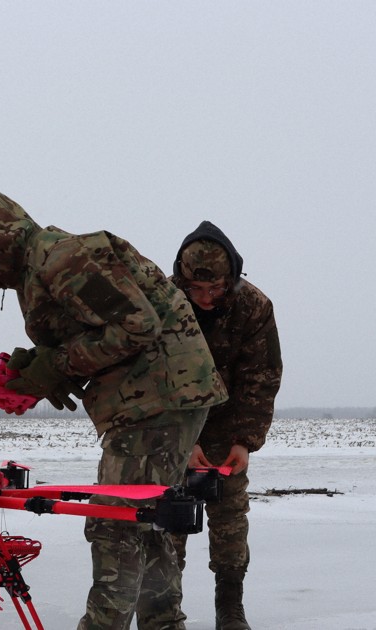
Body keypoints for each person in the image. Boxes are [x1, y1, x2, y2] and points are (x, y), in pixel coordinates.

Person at [0, 184, 228, 630]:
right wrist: (36, 370)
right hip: (157, 401)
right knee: (147, 519)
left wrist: (56, 364)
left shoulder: (57, 257)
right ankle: (163, 624)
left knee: (117, 521)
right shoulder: (38, 266)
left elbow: (138, 326)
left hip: (156, 402)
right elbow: (97, 331)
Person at [170, 222, 282, 630]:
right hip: (173, 424)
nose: (203, 299)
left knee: (231, 516)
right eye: (195, 290)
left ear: (230, 280)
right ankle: (166, 611)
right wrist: (184, 440)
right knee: (169, 516)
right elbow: (152, 375)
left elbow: (262, 376)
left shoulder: (253, 307)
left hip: (229, 422)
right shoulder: (162, 301)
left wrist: (245, 441)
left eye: (214, 290)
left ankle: (230, 609)